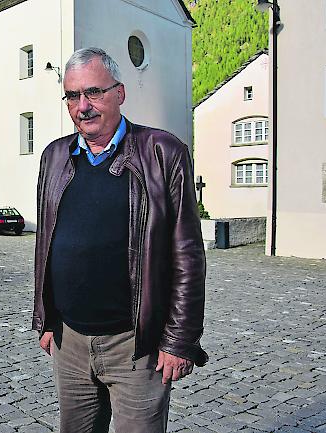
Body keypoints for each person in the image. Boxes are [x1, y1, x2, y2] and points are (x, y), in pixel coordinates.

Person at [32, 47, 208, 433]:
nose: (83, 106)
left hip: (136, 345)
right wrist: (46, 317)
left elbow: (188, 256)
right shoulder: (54, 156)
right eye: (73, 96)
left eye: (94, 92)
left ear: (120, 93)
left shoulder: (162, 152)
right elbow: (46, 242)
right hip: (70, 342)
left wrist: (179, 340)